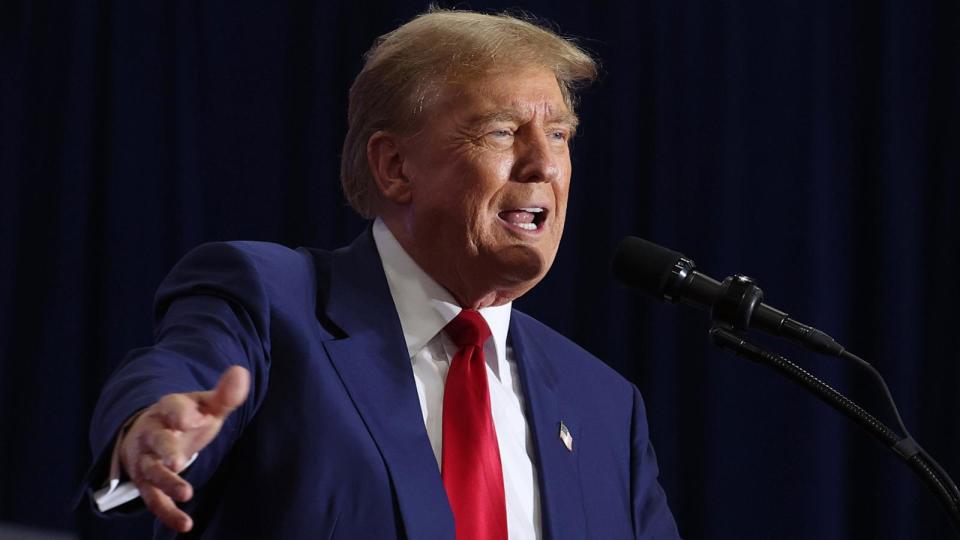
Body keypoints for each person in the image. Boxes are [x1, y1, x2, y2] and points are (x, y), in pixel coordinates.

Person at [84, 8, 681, 539]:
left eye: (558, 135)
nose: (545, 164)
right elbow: (179, 372)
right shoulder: (269, 301)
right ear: (395, 166)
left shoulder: (604, 406)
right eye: (502, 131)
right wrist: (148, 428)